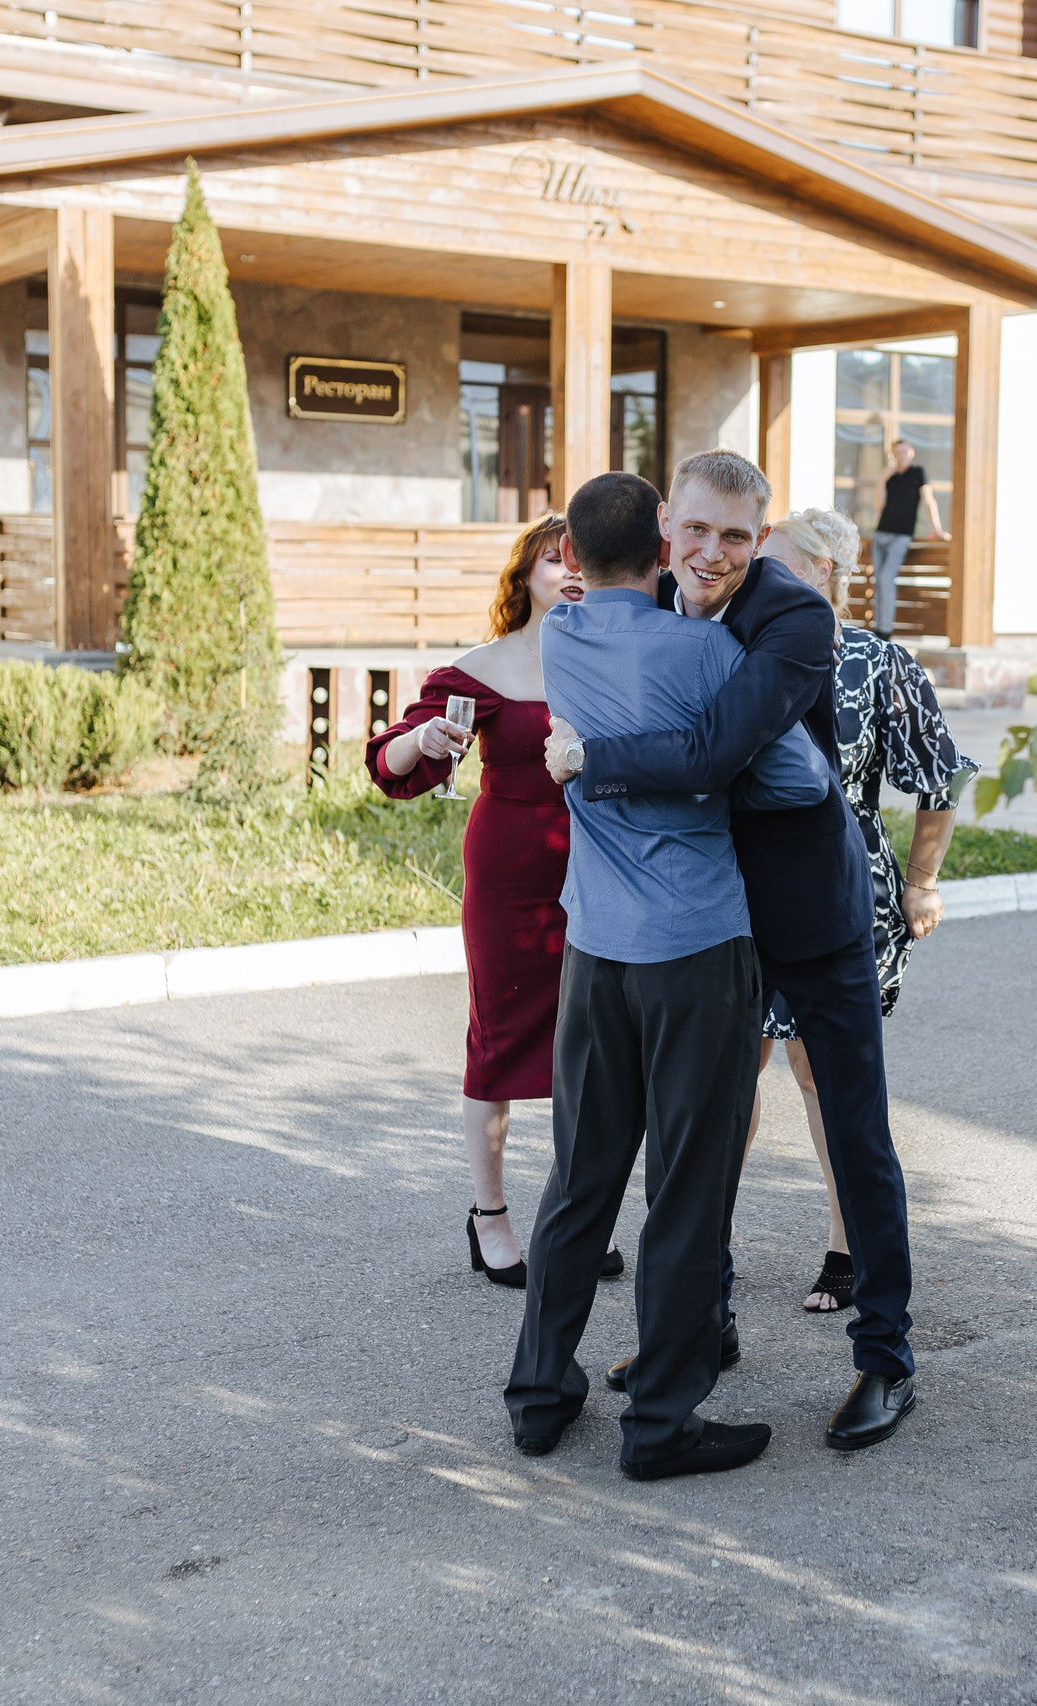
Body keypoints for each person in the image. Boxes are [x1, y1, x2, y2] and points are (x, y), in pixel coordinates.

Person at [545, 449, 921, 1454]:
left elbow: (713, 751)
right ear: (668, 523)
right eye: (698, 531)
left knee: (853, 1131)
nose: (711, 555)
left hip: (808, 910)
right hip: (706, 918)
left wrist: (592, 756)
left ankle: (884, 1355)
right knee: (698, 1137)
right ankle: (697, 1331)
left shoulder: (794, 620)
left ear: (761, 540)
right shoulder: (653, 597)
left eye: (736, 537)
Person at [502, 469, 836, 1482]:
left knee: (578, 1181)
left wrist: (596, 755)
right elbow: (796, 777)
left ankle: (539, 1393)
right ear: (661, 537)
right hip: (694, 950)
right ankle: (659, 1422)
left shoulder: (561, 636)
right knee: (687, 1190)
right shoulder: (706, 650)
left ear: (574, 557)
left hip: (596, 952)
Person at [365, 514, 620, 1291]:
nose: (571, 573)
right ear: (526, 576)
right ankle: (491, 1217)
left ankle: (578, 1216)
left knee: (598, 1049)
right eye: (554, 560)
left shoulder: (619, 658)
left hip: (608, 869)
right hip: (512, 874)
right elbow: (389, 759)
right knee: (501, 1041)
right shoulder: (479, 670)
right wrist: (428, 741)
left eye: (584, 561)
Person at [751, 507, 973, 1314]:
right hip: (741, 886)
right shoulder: (740, 645)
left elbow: (938, 778)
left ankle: (847, 1247)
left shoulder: (878, 662)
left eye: (776, 563)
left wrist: (922, 881)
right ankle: (707, 1259)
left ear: (825, 574)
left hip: (847, 886)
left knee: (824, 1071)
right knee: (729, 1070)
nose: (757, 576)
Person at [866, 440, 946, 640]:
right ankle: (879, 628)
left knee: (886, 578)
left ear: (911, 452)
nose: (900, 456)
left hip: (901, 536)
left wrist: (937, 529)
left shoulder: (918, 473)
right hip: (881, 534)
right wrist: (882, 479)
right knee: (878, 581)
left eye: (903, 452)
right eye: (896, 453)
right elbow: (879, 506)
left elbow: (928, 500)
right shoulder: (891, 477)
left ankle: (885, 630)